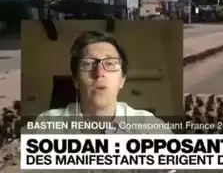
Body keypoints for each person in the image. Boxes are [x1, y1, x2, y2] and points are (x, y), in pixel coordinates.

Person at [31, 30, 172, 134]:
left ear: (122, 80)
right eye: (87, 64)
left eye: (110, 64)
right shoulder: (48, 124)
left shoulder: (149, 127)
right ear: (76, 80)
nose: (99, 74)